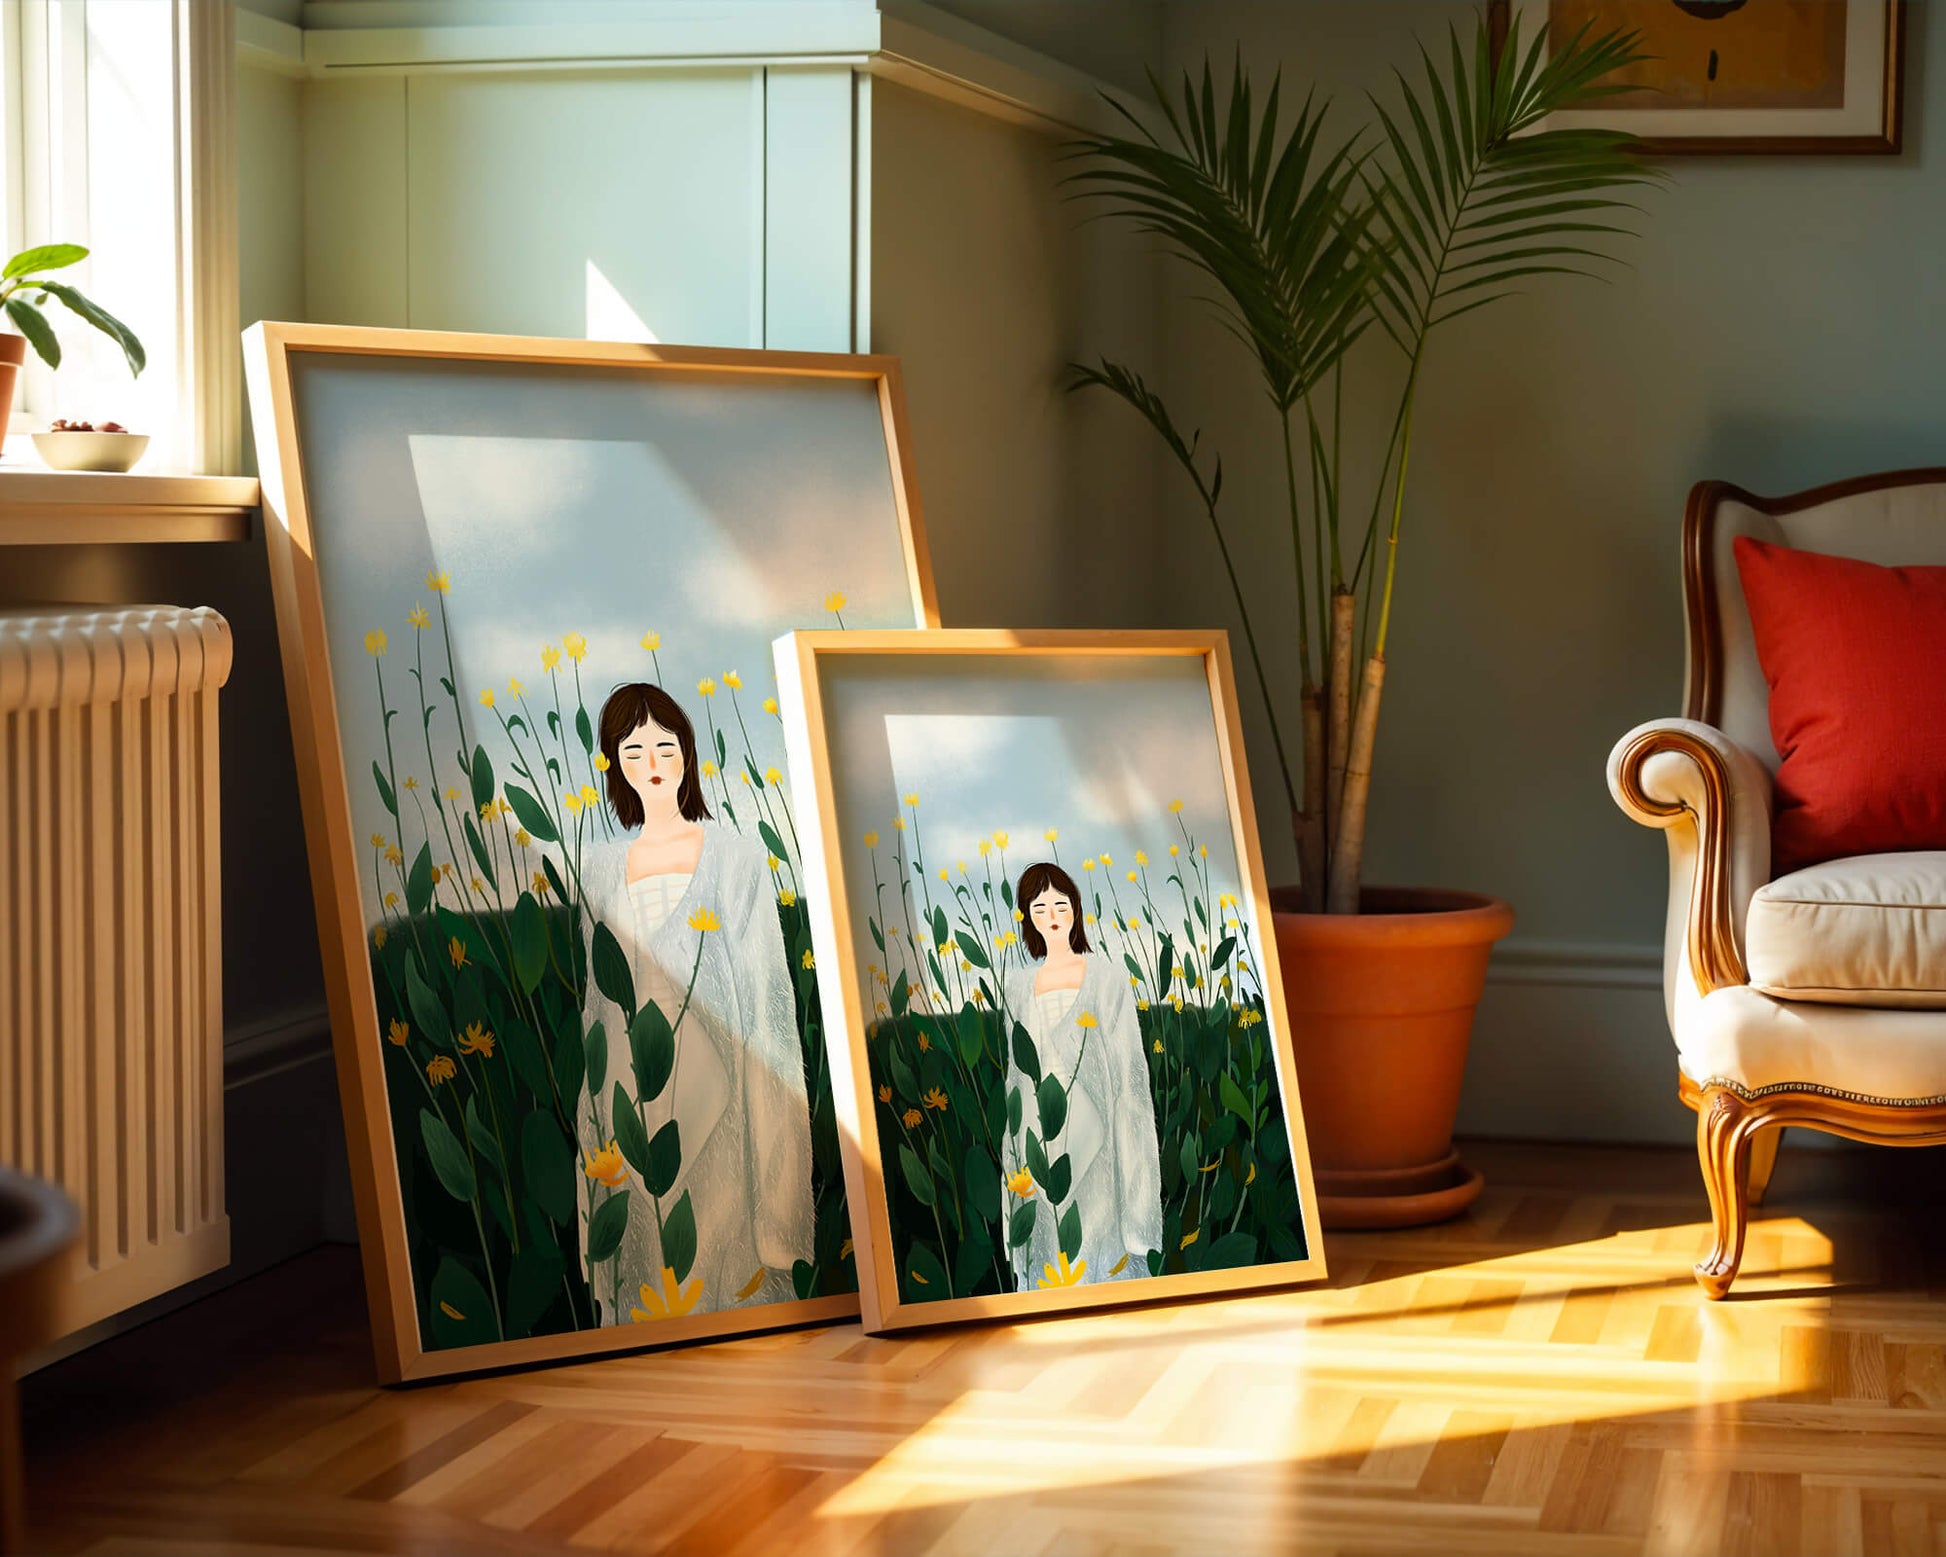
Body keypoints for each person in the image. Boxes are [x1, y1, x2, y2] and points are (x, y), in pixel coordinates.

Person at [577, 682, 812, 1318]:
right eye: (632, 750)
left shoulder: (736, 859)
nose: (651, 762)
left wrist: (782, 1190)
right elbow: (598, 1010)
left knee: (722, 1261)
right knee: (646, 1267)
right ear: (614, 766)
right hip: (632, 1103)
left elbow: (768, 1006)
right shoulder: (598, 868)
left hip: (723, 1099)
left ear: (687, 753)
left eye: (663, 744)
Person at [1000, 860, 1162, 1288]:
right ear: (1027, 919)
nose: (1051, 916)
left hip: (1098, 1132)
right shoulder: (1017, 985)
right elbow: (1017, 1078)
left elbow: (1130, 1076)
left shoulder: (1108, 979)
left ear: (1075, 909)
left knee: (1095, 1239)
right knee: (1048, 1243)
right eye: (1038, 908)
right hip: (1039, 1136)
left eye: (1059, 904)